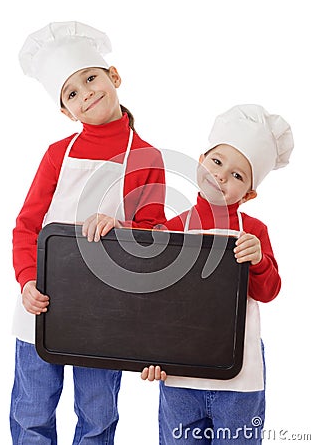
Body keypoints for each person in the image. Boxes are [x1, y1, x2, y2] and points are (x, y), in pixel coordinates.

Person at [92, 104, 294, 444]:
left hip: (239, 381)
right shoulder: (173, 229)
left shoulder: (253, 231)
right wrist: (117, 228)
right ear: (200, 161)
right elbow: (148, 287)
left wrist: (258, 260)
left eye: (237, 176)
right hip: (179, 377)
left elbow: (269, 290)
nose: (221, 176)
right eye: (217, 163)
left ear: (249, 194)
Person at [10, 21, 166, 444]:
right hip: (44, 301)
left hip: (106, 309)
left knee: (97, 415)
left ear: (113, 77)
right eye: (72, 93)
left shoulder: (147, 157)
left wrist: (123, 226)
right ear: (66, 112)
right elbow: (27, 226)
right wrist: (27, 281)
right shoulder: (57, 154)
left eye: (91, 78)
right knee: (31, 411)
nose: (87, 93)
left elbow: (155, 234)